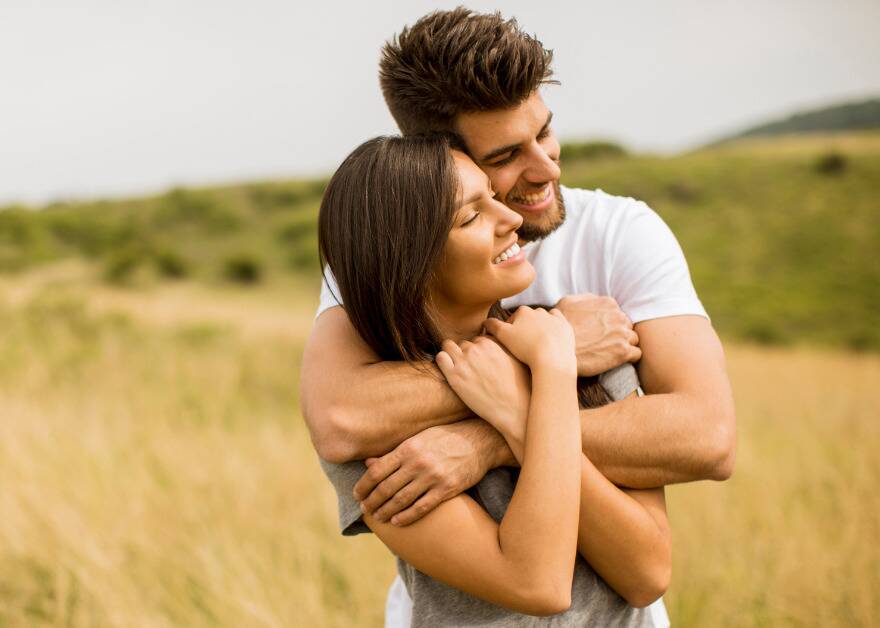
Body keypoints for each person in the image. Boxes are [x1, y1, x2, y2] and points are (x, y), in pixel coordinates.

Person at [300, 8, 735, 626]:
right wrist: (550, 354)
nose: (548, 167)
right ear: (435, 165)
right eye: (507, 154)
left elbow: (708, 439)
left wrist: (491, 434)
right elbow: (342, 419)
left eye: (546, 133)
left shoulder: (619, 234)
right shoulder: (380, 268)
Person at [317, 133, 670, 625]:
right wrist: (546, 376)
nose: (512, 220)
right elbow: (537, 582)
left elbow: (648, 575)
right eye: (471, 216)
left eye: (492, 197)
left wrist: (522, 410)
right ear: (410, 265)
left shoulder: (578, 346)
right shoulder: (385, 439)